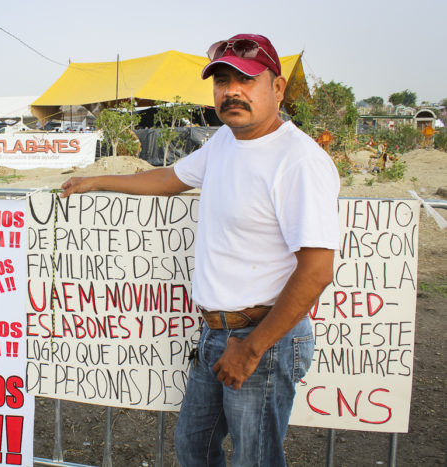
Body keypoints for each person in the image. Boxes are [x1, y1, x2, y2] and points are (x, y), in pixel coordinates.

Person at [61, 34, 339, 466]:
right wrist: (94, 181)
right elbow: (171, 178)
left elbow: (317, 270)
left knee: (255, 459)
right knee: (194, 447)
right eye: (222, 81)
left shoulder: (298, 160)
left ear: (278, 88)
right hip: (215, 334)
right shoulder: (225, 143)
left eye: (246, 79)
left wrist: (250, 349)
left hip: (262, 338)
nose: (231, 91)